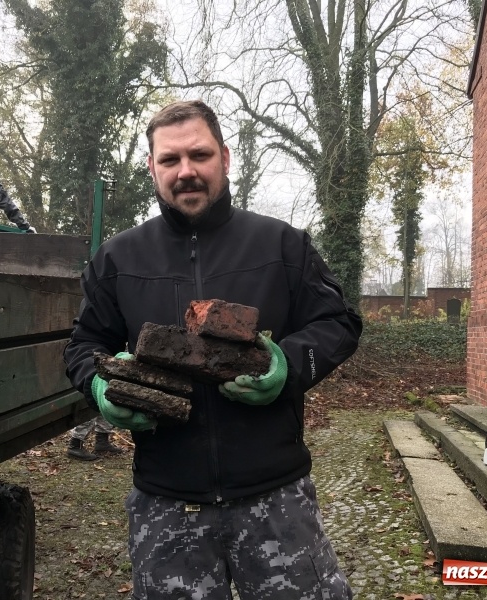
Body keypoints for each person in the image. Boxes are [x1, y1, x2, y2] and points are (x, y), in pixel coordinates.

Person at [63, 99, 362, 599]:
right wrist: (100, 389)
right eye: (169, 160)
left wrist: (288, 366)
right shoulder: (117, 258)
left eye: (199, 155)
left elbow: (339, 322)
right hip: (166, 507)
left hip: (276, 498)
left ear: (224, 157)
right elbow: (82, 344)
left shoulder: (282, 246)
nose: (185, 172)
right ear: (152, 169)